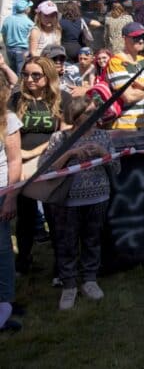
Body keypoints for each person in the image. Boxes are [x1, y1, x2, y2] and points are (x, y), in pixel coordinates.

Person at [39, 96, 118, 310]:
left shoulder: (103, 136)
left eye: (95, 111)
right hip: (67, 200)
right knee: (67, 242)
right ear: (76, 116)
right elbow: (46, 168)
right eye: (89, 112)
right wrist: (70, 153)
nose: (95, 115)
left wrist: (103, 153)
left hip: (99, 197)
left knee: (93, 239)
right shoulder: (60, 137)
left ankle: (90, 279)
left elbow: (116, 167)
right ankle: (69, 284)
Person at [11, 56, 71, 275]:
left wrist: (33, 152)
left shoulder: (62, 98)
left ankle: (60, 267)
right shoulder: (16, 99)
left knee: (55, 217)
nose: (29, 80)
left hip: (51, 163)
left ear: (48, 76)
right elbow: (9, 131)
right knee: (25, 217)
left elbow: (65, 134)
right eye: (25, 74)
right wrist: (19, 156)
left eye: (36, 75)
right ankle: (23, 262)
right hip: (21, 166)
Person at [107, 22, 144, 133]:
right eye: (136, 37)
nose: (141, 41)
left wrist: (141, 86)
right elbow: (129, 97)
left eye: (143, 37)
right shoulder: (116, 62)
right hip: (126, 128)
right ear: (124, 38)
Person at [0, 77, 22, 332]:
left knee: (2, 250)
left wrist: (11, 198)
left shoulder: (8, 120)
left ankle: (5, 303)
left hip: (2, 192)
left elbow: (15, 161)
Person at [2, 0, 33, 75]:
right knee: (21, 73)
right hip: (23, 50)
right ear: (26, 9)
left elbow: (3, 34)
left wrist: (7, 45)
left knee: (11, 72)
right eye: (29, 7)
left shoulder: (8, 19)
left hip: (10, 49)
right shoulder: (29, 23)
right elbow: (32, 38)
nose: (30, 8)